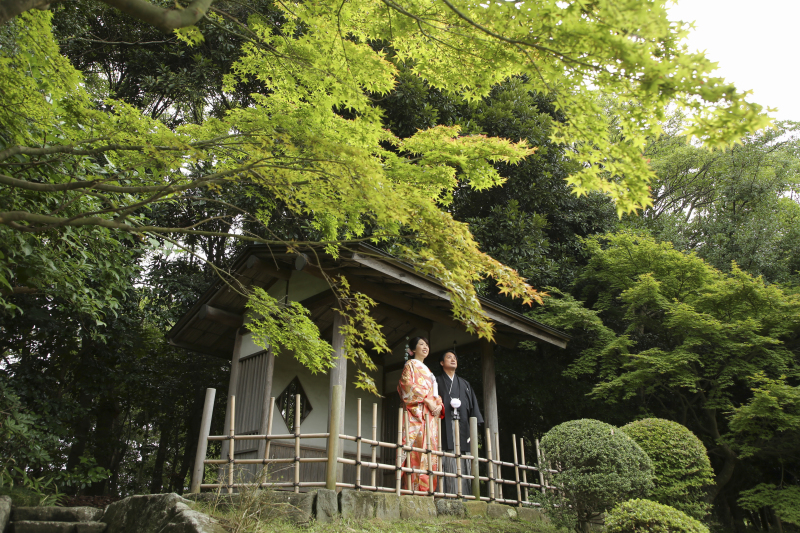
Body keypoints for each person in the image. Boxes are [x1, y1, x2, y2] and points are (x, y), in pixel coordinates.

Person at [397, 336, 443, 493]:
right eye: (421, 344)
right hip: (416, 413)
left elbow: (435, 394)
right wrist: (426, 400)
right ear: (412, 350)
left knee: (430, 452)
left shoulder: (429, 372)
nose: (425, 347)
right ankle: (412, 489)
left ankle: (427, 490)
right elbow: (406, 385)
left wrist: (438, 405)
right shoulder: (410, 365)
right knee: (416, 450)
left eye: (427, 345)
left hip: (430, 416)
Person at [436, 350, 483, 495]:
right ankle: (447, 493)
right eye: (449, 357)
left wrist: (474, 427)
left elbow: (473, 409)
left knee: (464, 457)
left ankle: (466, 494)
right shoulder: (436, 381)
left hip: (462, 426)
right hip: (444, 426)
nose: (453, 359)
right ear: (442, 363)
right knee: (446, 454)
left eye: (455, 358)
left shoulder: (465, 384)